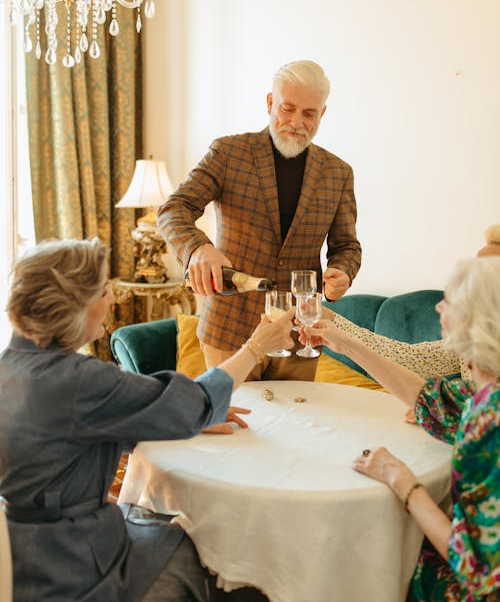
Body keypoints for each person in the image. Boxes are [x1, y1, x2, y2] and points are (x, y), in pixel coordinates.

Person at [0, 238, 294, 602]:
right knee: (224, 553)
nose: (111, 299)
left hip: (22, 556)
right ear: (71, 306)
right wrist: (255, 347)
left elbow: (76, 430)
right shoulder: (77, 380)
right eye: (103, 290)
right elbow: (196, 401)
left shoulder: (10, 365)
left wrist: (174, 416)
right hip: (77, 564)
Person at [307, 256, 500, 601]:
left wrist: (404, 484)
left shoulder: (491, 421)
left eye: (450, 302)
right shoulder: (483, 394)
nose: (439, 307)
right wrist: (344, 343)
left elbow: (478, 574)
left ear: (478, 322)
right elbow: (427, 398)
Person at [158, 60, 362, 382]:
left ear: (322, 114)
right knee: (237, 427)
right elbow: (174, 208)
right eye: (287, 108)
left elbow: (346, 245)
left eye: (309, 113)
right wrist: (199, 249)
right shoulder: (228, 153)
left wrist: (343, 272)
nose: (296, 122)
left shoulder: (338, 173)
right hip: (229, 328)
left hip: (300, 334)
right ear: (270, 103)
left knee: (296, 425)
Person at [322, 224, 500, 382]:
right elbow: (411, 359)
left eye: (483, 272)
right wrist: (333, 321)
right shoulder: (472, 337)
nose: (470, 280)